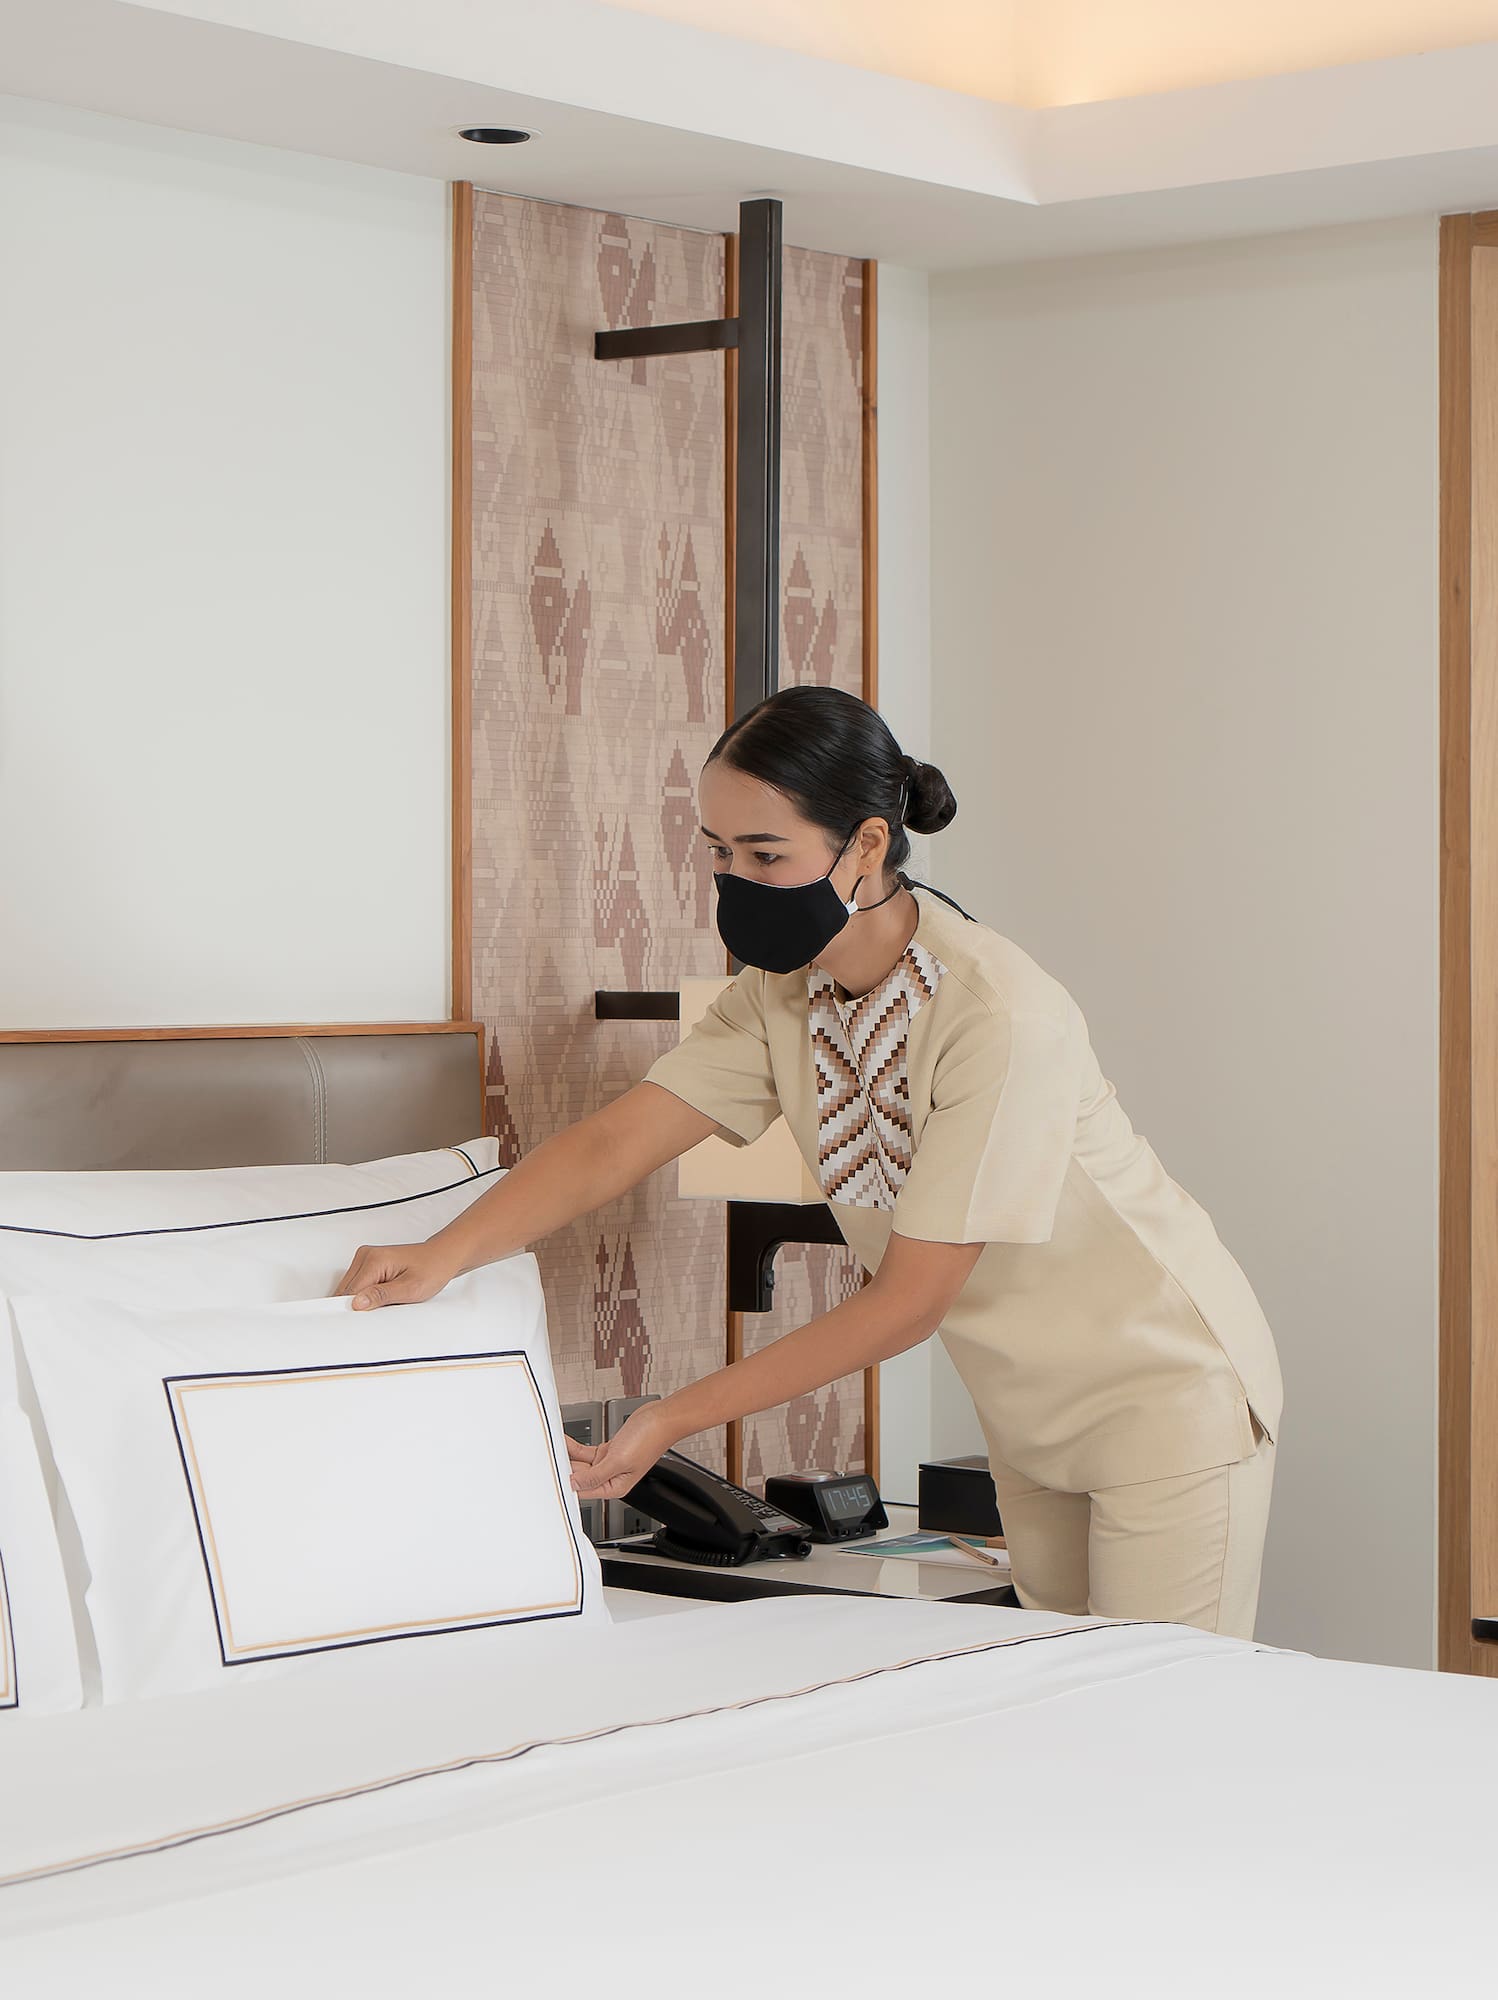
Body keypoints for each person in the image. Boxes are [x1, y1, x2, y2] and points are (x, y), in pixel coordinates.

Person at [332, 685, 1283, 1639]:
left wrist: (667, 1419)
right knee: (1063, 1714)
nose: (734, 880)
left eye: (765, 853)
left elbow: (909, 1301)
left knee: (1161, 1728)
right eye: (718, 852)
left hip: (1160, 1390)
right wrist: (443, 1254)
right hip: (1028, 1418)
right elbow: (620, 1141)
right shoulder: (781, 993)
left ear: (866, 847)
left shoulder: (997, 1015)